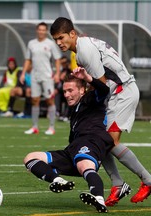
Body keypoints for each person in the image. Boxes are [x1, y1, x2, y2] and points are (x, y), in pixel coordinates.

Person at [50, 17, 151, 206]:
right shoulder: (83, 48)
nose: (59, 43)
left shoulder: (84, 52)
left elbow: (101, 85)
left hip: (122, 92)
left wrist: (85, 100)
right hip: (116, 93)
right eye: (55, 39)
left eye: (61, 37)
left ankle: (146, 180)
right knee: (99, 139)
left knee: (107, 141)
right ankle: (118, 183)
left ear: (72, 34)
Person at [24, 68, 113, 213]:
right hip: (73, 149)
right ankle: (58, 181)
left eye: (70, 90)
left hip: (91, 141)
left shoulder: (90, 100)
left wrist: (88, 77)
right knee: (31, 158)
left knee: (84, 165)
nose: (67, 95)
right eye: (65, 92)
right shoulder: (74, 111)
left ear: (82, 90)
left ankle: (99, 200)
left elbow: (104, 90)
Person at [20, 22, 62, 135]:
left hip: (47, 76)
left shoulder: (51, 44)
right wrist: (23, 73)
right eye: (40, 29)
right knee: (34, 100)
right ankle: (34, 127)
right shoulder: (31, 43)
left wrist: (57, 73)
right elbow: (28, 59)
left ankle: (52, 127)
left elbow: (57, 59)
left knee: (49, 100)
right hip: (34, 76)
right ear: (37, 30)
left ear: (46, 31)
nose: (41, 32)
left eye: (43, 30)